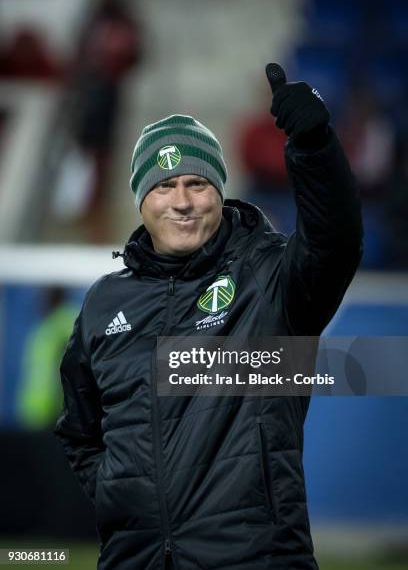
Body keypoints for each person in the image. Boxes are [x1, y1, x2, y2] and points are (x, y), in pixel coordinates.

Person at [54, 64, 363, 570]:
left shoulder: (269, 277)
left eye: (196, 183)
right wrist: (121, 494)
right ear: (141, 200)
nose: (181, 202)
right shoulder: (103, 304)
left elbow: (336, 243)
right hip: (135, 558)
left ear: (220, 190)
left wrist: (314, 148)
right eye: (164, 186)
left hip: (253, 557)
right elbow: (80, 431)